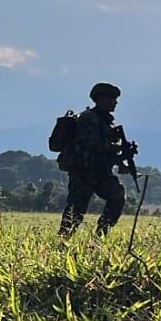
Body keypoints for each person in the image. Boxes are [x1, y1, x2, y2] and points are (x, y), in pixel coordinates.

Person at [58, 82, 130, 238]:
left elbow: (106, 150)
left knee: (117, 196)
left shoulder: (107, 121)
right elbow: (92, 143)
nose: (115, 102)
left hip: (102, 172)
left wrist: (122, 157)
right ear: (101, 99)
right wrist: (115, 148)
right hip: (83, 172)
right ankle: (63, 242)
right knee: (76, 210)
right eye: (112, 99)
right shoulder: (88, 118)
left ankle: (101, 235)